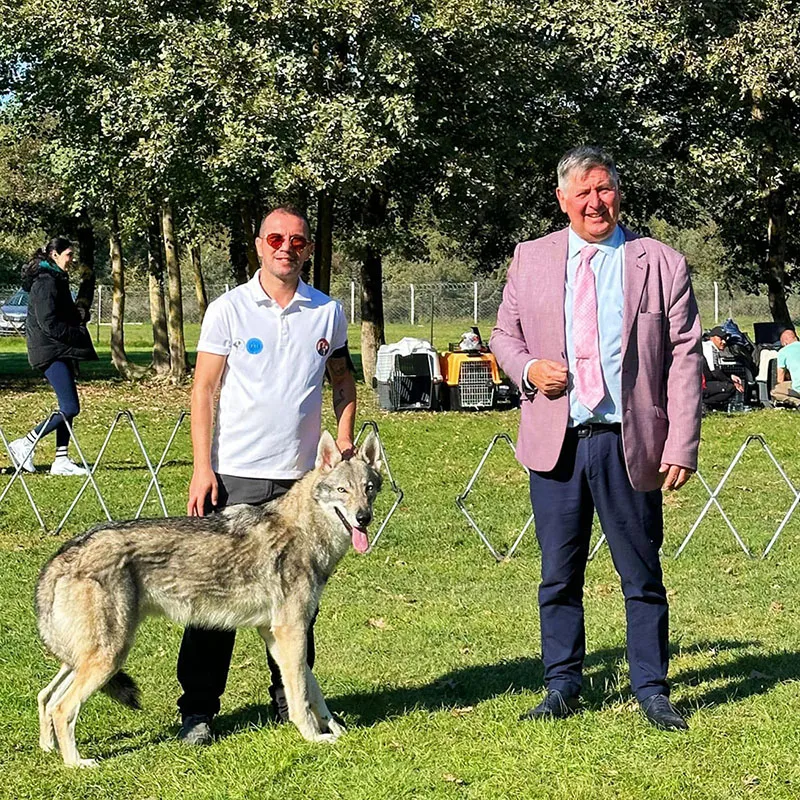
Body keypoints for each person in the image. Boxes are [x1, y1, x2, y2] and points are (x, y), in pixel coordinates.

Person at [490, 145, 702, 731]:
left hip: (630, 442)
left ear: (618, 193)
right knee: (558, 574)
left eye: (603, 189)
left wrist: (681, 441)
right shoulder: (529, 259)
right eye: (581, 192)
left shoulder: (659, 263)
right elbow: (505, 335)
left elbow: (684, 359)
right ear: (561, 200)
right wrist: (529, 370)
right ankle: (561, 683)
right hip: (556, 441)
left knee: (641, 573)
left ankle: (652, 688)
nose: (594, 201)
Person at [177, 206, 357, 745]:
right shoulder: (228, 310)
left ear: (307, 249)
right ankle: (199, 710)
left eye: (297, 240)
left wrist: (344, 441)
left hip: (302, 484)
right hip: (234, 474)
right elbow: (204, 390)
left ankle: (291, 701)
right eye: (276, 238)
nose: (287, 247)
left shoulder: (327, 312)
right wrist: (202, 467)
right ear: (259, 245)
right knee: (213, 599)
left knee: (298, 601)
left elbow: (344, 383)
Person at [8, 237, 97, 476]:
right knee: (70, 407)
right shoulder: (46, 281)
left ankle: (61, 459)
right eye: (68, 254)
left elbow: (60, 314)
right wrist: (74, 334)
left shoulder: (57, 279)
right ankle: (25, 442)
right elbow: (47, 321)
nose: (72, 259)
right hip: (49, 350)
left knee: (67, 405)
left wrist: (77, 315)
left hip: (58, 348)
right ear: (54, 255)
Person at [771, 328, 800, 408]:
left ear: (785, 343)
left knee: (775, 391)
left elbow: (780, 379)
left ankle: (797, 402)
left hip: (798, 388)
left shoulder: (783, 352)